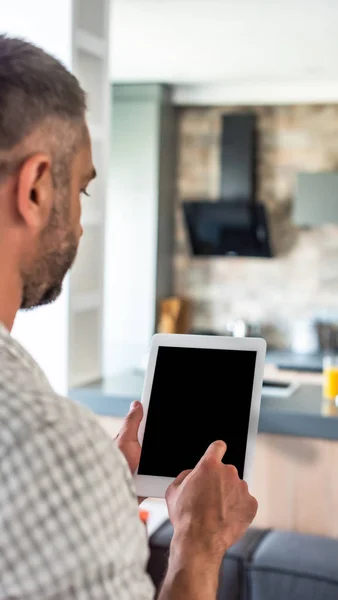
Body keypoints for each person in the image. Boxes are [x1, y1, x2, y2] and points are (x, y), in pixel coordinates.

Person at [0, 34, 258, 599]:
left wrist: (102, 492)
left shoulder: (57, 462)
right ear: (37, 188)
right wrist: (197, 540)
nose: (82, 224)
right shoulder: (44, 443)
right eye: (82, 191)